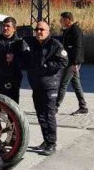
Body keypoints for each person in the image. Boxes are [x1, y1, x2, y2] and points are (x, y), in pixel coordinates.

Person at [23, 21, 68, 155]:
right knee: (40, 114)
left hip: (50, 86)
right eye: (37, 29)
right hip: (37, 86)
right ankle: (46, 140)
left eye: (42, 29)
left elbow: (64, 61)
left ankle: (52, 144)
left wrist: (46, 67)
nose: (39, 32)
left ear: (48, 31)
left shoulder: (54, 44)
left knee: (49, 115)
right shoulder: (34, 44)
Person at [57, 11, 88, 114]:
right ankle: (83, 106)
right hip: (69, 61)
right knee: (76, 84)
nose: (60, 21)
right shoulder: (67, 30)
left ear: (67, 20)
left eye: (62, 19)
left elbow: (78, 47)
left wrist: (75, 63)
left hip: (72, 62)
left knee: (63, 84)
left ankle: (55, 106)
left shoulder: (75, 30)